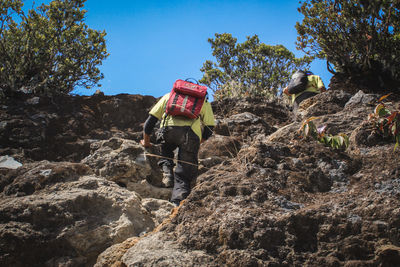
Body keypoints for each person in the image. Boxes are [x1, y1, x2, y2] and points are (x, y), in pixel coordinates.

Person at [140, 87, 215, 206]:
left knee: (165, 148)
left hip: (168, 130)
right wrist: (197, 142)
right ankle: (177, 201)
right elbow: (209, 127)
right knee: (184, 171)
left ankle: (167, 174)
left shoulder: (169, 96)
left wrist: (146, 142)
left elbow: (149, 123)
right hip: (190, 134)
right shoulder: (202, 101)